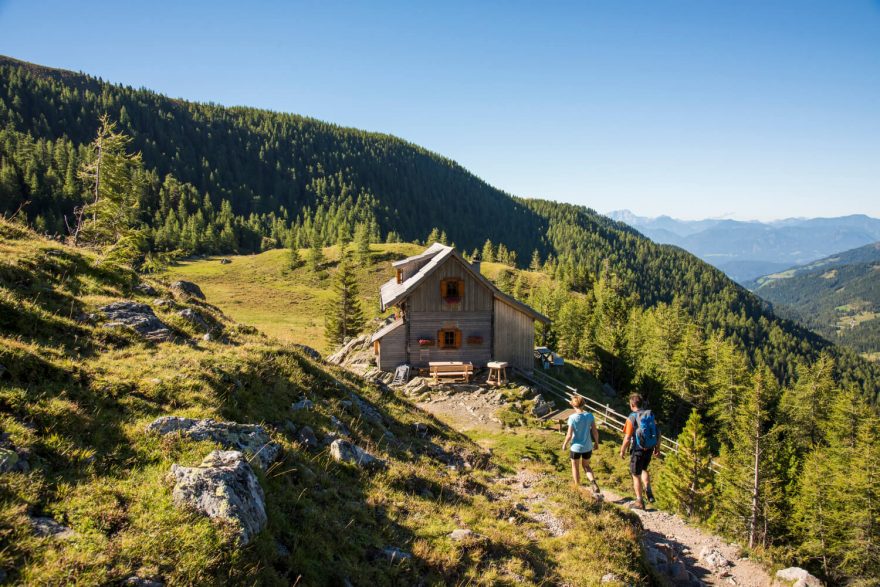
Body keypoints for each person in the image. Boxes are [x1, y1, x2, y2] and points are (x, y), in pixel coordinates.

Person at [619, 393, 660, 510]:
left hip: (638, 449)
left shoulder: (632, 417)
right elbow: (658, 433)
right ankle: (648, 488)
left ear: (632, 405)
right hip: (650, 448)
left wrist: (622, 451)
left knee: (635, 475)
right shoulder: (649, 414)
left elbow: (627, 438)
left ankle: (639, 501)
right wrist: (657, 448)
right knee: (644, 469)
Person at [562, 395, 601, 495]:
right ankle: (593, 482)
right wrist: (596, 443)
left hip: (575, 448)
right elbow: (595, 431)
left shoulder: (572, 418)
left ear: (573, 405)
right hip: (588, 447)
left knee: (575, 467)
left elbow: (569, 434)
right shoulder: (589, 416)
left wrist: (564, 444)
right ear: (583, 404)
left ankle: (577, 488)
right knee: (586, 466)